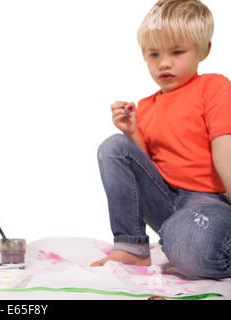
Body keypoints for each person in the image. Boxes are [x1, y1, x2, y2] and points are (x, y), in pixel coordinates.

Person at [91, 0, 231, 279]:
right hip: (168, 203)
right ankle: (132, 246)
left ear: (204, 50)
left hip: (208, 203)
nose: (164, 63)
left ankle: (195, 241)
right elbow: (149, 172)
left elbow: (224, 151)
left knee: (190, 245)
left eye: (177, 52)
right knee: (114, 147)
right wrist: (131, 132)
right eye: (154, 54)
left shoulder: (213, 87)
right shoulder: (146, 106)